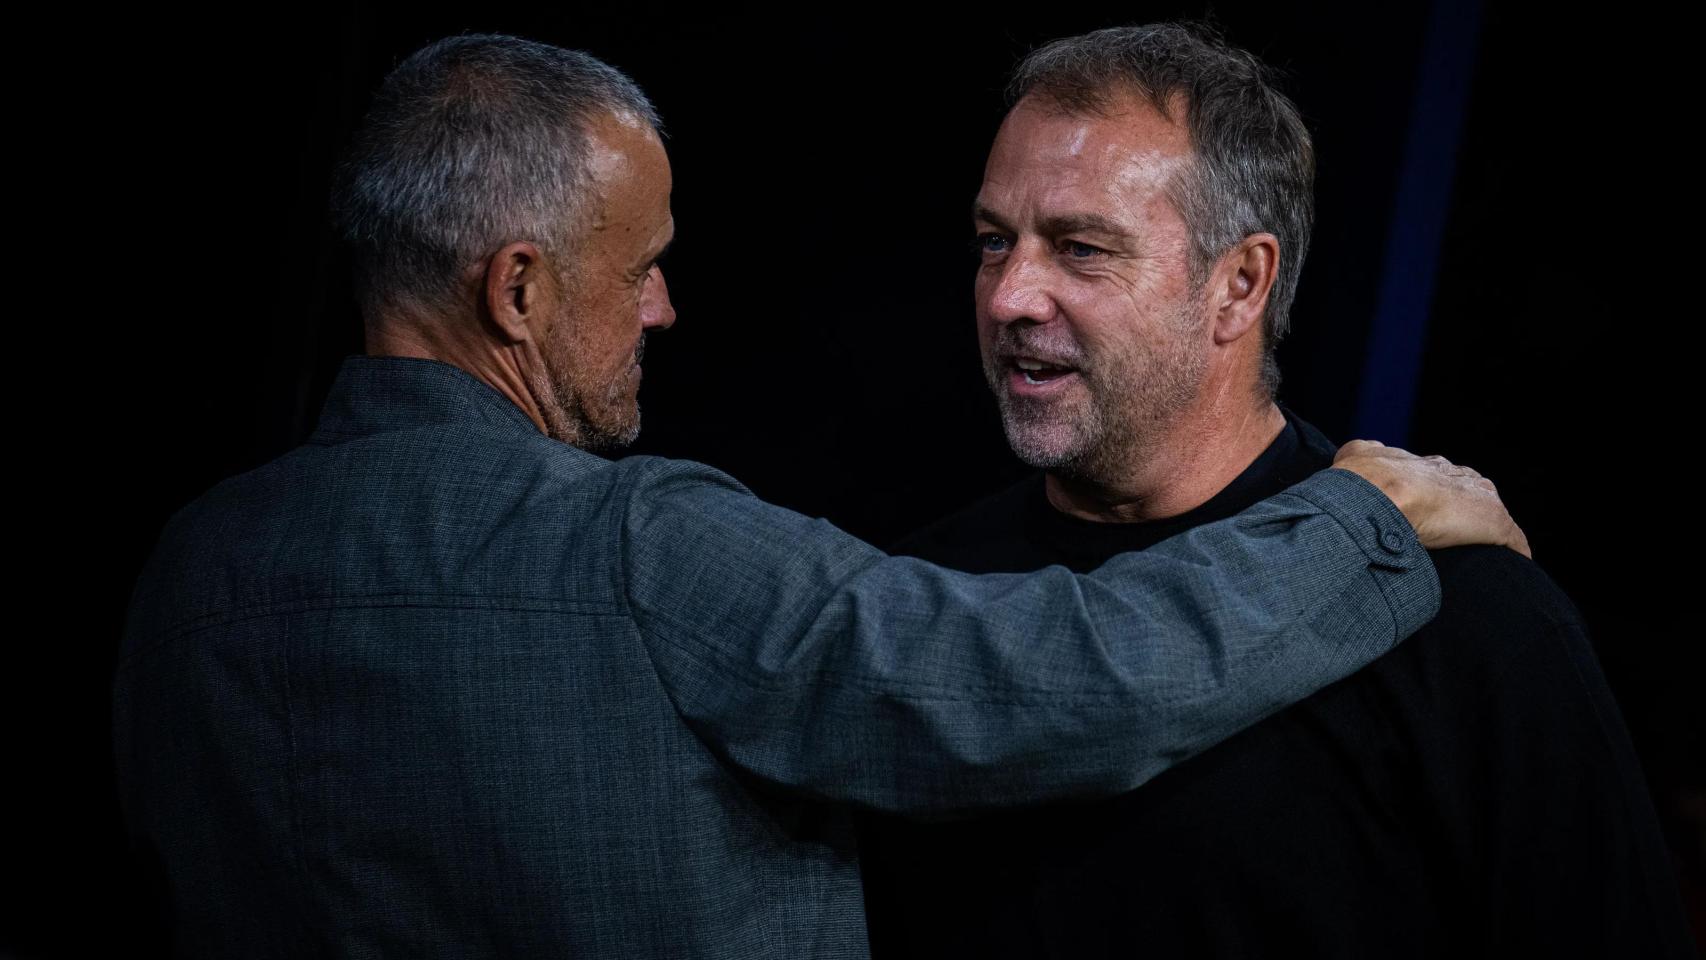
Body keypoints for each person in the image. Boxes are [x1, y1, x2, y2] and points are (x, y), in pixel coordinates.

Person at [113, 34, 1524, 958]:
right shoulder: (641, 548)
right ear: (521, 291)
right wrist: (1362, 523)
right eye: (640, 263)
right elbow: (1034, 683)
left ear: (1243, 283)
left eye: (1077, 247)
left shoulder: (187, 578)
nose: (664, 305)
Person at [857, 23, 1695, 959]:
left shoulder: (1465, 618)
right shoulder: (922, 601)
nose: (1010, 295)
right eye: (992, 240)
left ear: (1241, 283)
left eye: (1081, 248)